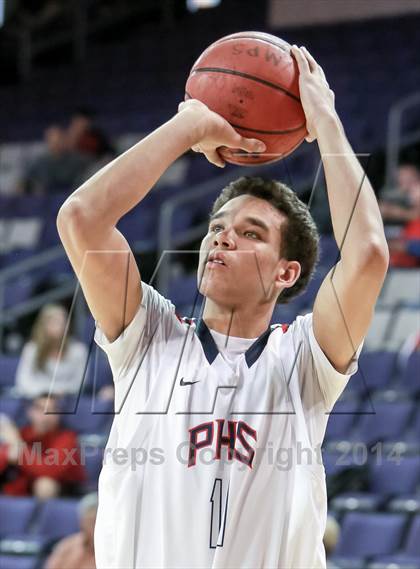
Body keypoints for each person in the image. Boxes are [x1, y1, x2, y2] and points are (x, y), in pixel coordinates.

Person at [57, 46, 389, 568]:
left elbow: (368, 255)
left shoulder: (304, 359)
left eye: (250, 233)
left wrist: (324, 120)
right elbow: (81, 220)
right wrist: (187, 125)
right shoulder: (149, 335)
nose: (222, 240)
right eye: (217, 229)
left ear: (286, 273)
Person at [0, 393, 85, 498]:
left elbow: (50, 470)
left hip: (65, 492)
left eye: (52, 410)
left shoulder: (67, 437)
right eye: (40, 409)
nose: (46, 415)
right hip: (24, 489)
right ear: (30, 412)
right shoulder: (23, 433)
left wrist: (18, 448)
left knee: (45, 486)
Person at [15, 304, 88, 398]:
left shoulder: (79, 350)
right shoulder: (31, 349)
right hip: (36, 399)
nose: (61, 326)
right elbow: (23, 381)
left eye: (63, 322)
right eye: (55, 322)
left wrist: (57, 393)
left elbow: (79, 383)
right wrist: (44, 394)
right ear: (43, 326)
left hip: (66, 401)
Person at [22, 125, 88, 195]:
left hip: (70, 197)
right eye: (52, 140)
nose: (56, 143)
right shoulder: (41, 161)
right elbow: (25, 182)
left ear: (64, 140)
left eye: (59, 139)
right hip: (45, 199)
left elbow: (82, 182)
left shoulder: (77, 160)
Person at [44, 492, 97, 569]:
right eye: (88, 521)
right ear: (81, 522)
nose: (92, 526)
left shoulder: (111, 550)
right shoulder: (66, 546)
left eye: (94, 521)